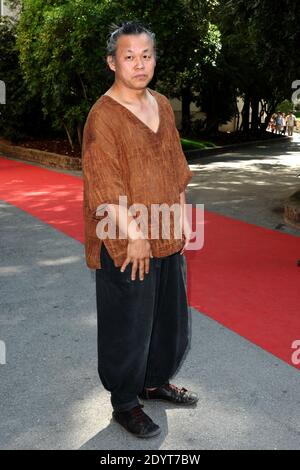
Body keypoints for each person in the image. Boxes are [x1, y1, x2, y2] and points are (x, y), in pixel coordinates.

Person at [82, 21, 198, 439]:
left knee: (169, 322)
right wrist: (133, 236)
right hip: (126, 241)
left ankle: (154, 382)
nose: (139, 64)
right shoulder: (103, 117)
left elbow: (175, 166)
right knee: (128, 325)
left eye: (146, 55)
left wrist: (181, 222)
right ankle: (126, 402)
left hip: (166, 233)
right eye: (128, 56)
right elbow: (104, 186)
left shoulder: (163, 105)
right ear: (112, 62)